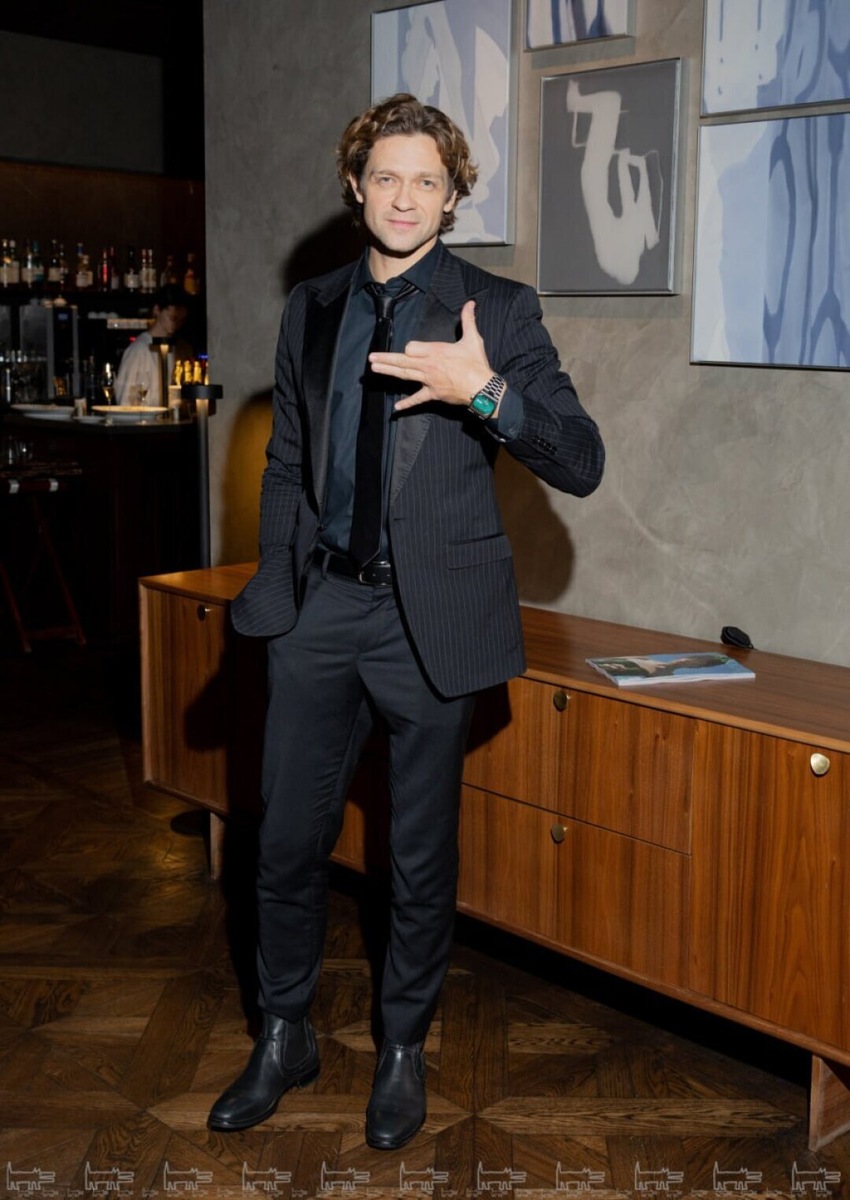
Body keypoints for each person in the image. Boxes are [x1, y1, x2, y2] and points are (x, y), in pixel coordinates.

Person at [208, 93, 605, 1150]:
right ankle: (283, 1033)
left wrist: (487, 394)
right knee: (283, 842)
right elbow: (288, 461)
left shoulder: (496, 310)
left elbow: (581, 461)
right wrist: (280, 595)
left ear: (453, 197)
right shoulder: (313, 305)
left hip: (430, 619)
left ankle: (401, 1050)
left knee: (418, 857)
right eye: (385, 176)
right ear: (355, 186)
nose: (404, 197)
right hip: (324, 607)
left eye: (427, 180)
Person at [114, 283, 190, 405]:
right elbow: (124, 399)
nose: (176, 325)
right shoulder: (139, 350)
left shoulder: (180, 349)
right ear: (157, 310)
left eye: (180, 320)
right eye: (172, 318)